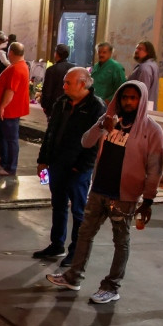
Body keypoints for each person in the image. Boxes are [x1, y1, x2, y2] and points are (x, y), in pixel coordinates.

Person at [47, 80, 163, 304]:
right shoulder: (111, 121)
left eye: (133, 98)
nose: (128, 101)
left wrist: (148, 199)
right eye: (124, 97)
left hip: (124, 196)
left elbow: (155, 168)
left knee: (120, 241)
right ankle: (74, 276)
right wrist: (102, 125)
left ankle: (111, 286)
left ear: (141, 101)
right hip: (99, 190)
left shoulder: (151, 130)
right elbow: (86, 141)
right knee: (85, 233)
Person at [34, 67, 106, 264]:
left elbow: (96, 141)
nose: (64, 86)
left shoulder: (95, 107)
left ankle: (76, 252)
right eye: (64, 82)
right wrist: (43, 159)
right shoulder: (62, 103)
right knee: (58, 205)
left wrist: (82, 166)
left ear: (83, 84)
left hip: (78, 169)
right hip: (57, 164)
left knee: (78, 210)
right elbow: (50, 133)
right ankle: (56, 244)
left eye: (68, 83)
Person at [0, 41, 30, 176]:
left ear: (10, 53)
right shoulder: (19, 66)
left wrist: (2, 106)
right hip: (7, 111)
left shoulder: (17, 68)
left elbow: (10, 90)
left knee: (10, 139)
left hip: (10, 111)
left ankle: (10, 167)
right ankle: (4, 162)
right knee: (1, 136)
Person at [40, 43, 72, 114]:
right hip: (70, 106)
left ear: (56, 54)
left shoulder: (51, 70)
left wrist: (44, 105)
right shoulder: (73, 68)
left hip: (54, 106)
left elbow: (47, 91)